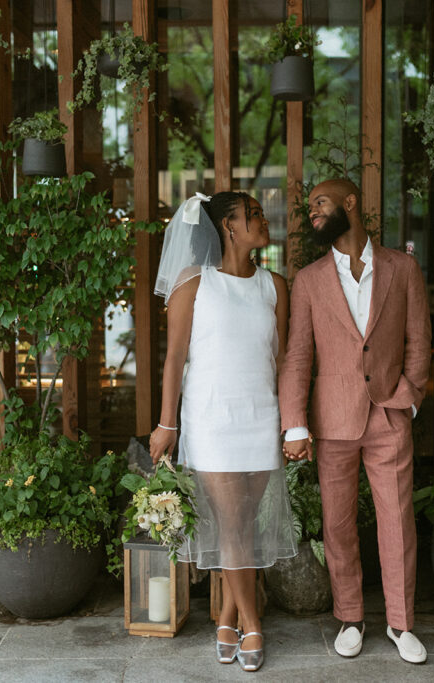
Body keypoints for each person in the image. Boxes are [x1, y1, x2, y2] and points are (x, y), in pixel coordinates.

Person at [279, 178, 432, 664]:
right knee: (338, 524)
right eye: (310, 208)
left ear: (350, 203)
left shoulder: (402, 267)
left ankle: (401, 623)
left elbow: (419, 340)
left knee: (398, 523)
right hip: (333, 420)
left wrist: (407, 399)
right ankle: (350, 617)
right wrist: (295, 423)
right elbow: (298, 355)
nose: (313, 214)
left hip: (388, 416)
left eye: (320, 204)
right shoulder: (308, 281)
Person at [149, 191, 297, 673]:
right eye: (251, 214)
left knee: (244, 527)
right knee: (233, 524)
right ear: (227, 227)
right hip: (211, 421)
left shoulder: (275, 286)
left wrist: (290, 421)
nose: (262, 219)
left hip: (259, 417)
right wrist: (166, 423)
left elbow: (280, 361)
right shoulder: (194, 284)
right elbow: (174, 359)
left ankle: (227, 618)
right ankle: (253, 624)